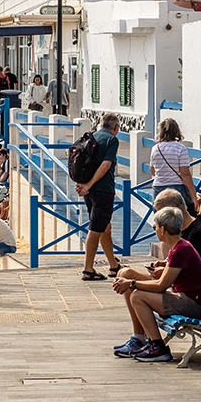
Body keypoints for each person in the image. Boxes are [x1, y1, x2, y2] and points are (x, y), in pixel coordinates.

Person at [111, 206, 201, 362]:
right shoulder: (180, 246)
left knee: (137, 297)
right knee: (133, 285)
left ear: (163, 229)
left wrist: (131, 284)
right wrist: (163, 268)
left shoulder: (180, 249)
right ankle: (145, 340)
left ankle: (158, 347)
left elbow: (161, 286)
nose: (155, 230)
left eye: (155, 227)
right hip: (188, 297)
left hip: (194, 303)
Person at [75, 112, 122, 281]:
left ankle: (113, 265)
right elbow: (105, 165)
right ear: (116, 128)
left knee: (104, 227)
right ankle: (88, 270)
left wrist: (83, 184)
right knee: (95, 229)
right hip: (103, 190)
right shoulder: (112, 140)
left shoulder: (91, 136)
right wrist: (89, 184)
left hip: (90, 191)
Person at [154, 189, 201, 271]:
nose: (160, 218)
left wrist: (170, 273)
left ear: (174, 210)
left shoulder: (199, 233)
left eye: (162, 213)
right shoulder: (178, 230)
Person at [148, 119, 200, 204]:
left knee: (160, 216)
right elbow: (185, 174)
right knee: (179, 215)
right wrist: (193, 196)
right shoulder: (181, 148)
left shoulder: (155, 148)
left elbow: (152, 170)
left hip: (158, 187)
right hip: (176, 187)